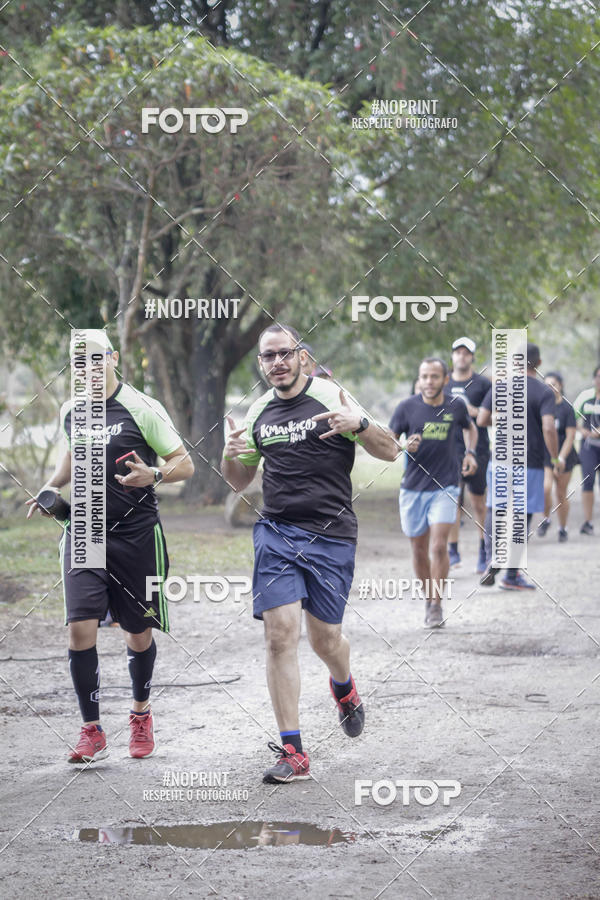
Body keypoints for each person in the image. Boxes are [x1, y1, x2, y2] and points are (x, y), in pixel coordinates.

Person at [221, 323, 398, 784]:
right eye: (268, 357)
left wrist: (358, 425)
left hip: (332, 536)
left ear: (301, 356)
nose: (277, 363)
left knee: (326, 641)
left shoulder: (331, 396)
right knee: (280, 635)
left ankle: (344, 686)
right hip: (276, 532)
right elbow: (239, 481)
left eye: (284, 354)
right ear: (261, 364)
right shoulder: (258, 410)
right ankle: (293, 751)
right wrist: (230, 454)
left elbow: (391, 450)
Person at [26, 330, 194, 763]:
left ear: (113, 357)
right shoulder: (71, 411)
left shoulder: (143, 407)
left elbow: (184, 463)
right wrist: (50, 487)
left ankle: (140, 713)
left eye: (96, 359)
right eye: (79, 362)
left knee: (137, 633)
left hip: (137, 535)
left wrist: (153, 475)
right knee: (79, 626)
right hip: (84, 531)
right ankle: (92, 729)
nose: (88, 368)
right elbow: (70, 457)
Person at [389, 357, 478, 628]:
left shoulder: (455, 405)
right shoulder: (406, 408)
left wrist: (471, 453)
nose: (429, 382)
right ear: (419, 379)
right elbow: (389, 442)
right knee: (418, 549)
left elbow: (470, 428)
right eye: (424, 376)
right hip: (413, 488)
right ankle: (429, 597)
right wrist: (404, 445)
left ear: (445, 379)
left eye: (434, 377)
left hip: (446, 484)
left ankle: (437, 604)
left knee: (439, 546)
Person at [478, 343, 558, 590]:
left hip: (500, 460)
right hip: (530, 462)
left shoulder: (500, 386)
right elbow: (548, 427)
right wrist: (554, 457)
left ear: (515, 363)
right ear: (539, 364)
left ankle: (492, 556)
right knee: (523, 515)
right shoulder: (545, 392)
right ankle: (511, 574)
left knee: (495, 508)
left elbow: (481, 419)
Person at [446, 337, 491, 573]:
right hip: (448, 450)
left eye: (466, 353)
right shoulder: (442, 382)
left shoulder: (483, 384)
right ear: (452, 356)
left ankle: (485, 551)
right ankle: (453, 551)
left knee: (479, 503)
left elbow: (495, 418)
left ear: (472, 357)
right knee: (453, 501)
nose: (462, 357)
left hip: (478, 450)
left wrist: (472, 410)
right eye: (458, 352)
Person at [537, 372, 578, 541]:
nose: (551, 388)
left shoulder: (567, 408)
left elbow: (570, 436)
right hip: (546, 455)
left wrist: (560, 458)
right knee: (545, 489)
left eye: (554, 384)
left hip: (565, 455)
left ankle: (563, 528)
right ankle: (546, 519)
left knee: (561, 493)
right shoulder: (541, 406)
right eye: (547, 385)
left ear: (560, 385)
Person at [573, 364, 600, 534]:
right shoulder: (585, 396)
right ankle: (588, 522)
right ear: (594, 378)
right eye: (598, 376)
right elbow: (571, 416)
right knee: (588, 481)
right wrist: (583, 431)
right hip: (589, 447)